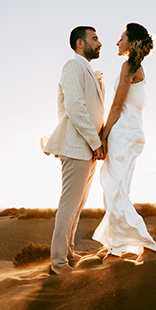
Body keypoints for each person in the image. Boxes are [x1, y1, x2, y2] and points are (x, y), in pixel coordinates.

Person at [93, 23, 156, 263]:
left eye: (121, 38)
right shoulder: (137, 68)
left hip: (122, 133)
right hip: (131, 132)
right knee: (117, 188)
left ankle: (149, 247)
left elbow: (118, 105)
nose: (117, 42)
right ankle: (116, 248)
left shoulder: (129, 67)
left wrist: (102, 136)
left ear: (131, 43)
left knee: (115, 189)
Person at [42, 26, 105, 275]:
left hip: (89, 149)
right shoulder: (72, 66)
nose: (99, 43)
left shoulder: (88, 70)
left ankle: (68, 250)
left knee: (78, 204)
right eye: (95, 39)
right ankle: (58, 262)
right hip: (78, 146)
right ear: (80, 43)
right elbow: (76, 108)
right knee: (69, 203)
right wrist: (96, 142)